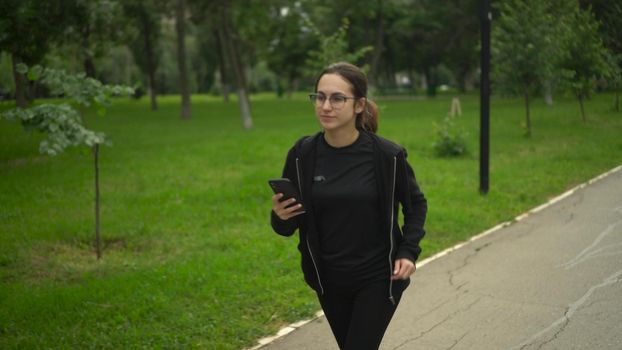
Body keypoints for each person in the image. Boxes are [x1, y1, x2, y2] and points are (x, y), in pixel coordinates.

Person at [270, 62, 427, 350]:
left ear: (359, 105)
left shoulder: (387, 156)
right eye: (319, 96)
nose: (325, 106)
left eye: (337, 98)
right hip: (328, 280)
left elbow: (415, 204)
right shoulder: (302, 154)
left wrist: (408, 251)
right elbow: (287, 225)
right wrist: (279, 217)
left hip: (378, 277)